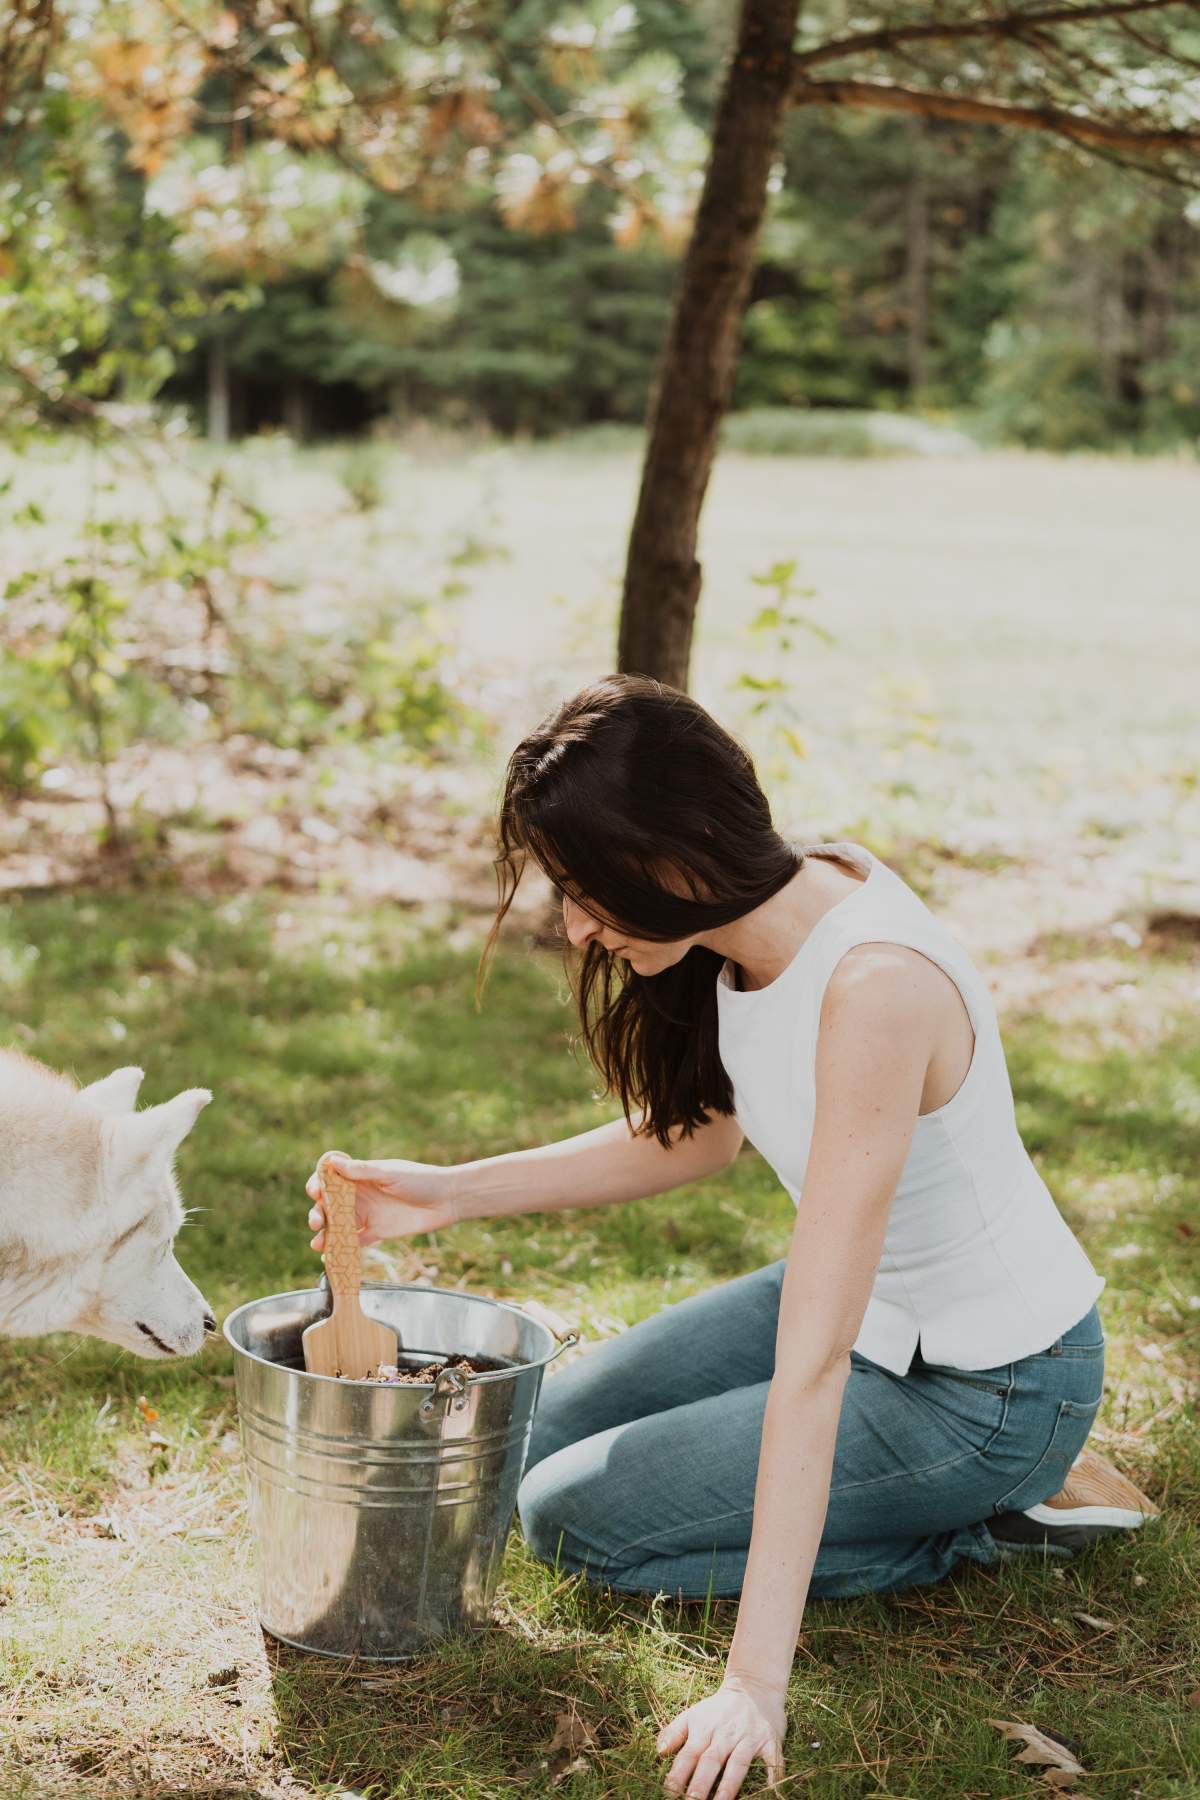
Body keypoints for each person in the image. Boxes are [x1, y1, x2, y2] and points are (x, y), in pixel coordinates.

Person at [306, 673, 1159, 1800]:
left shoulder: (875, 987)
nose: (574, 929)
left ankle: (998, 1516)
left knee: (571, 1525)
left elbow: (811, 1365)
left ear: (672, 859)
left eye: (589, 893)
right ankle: (955, 1492)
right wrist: (447, 1194)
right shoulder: (758, 920)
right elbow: (701, 1138)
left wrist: (754, 1682)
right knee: (526, 1435)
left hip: (989, 1387)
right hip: (878, 1313)